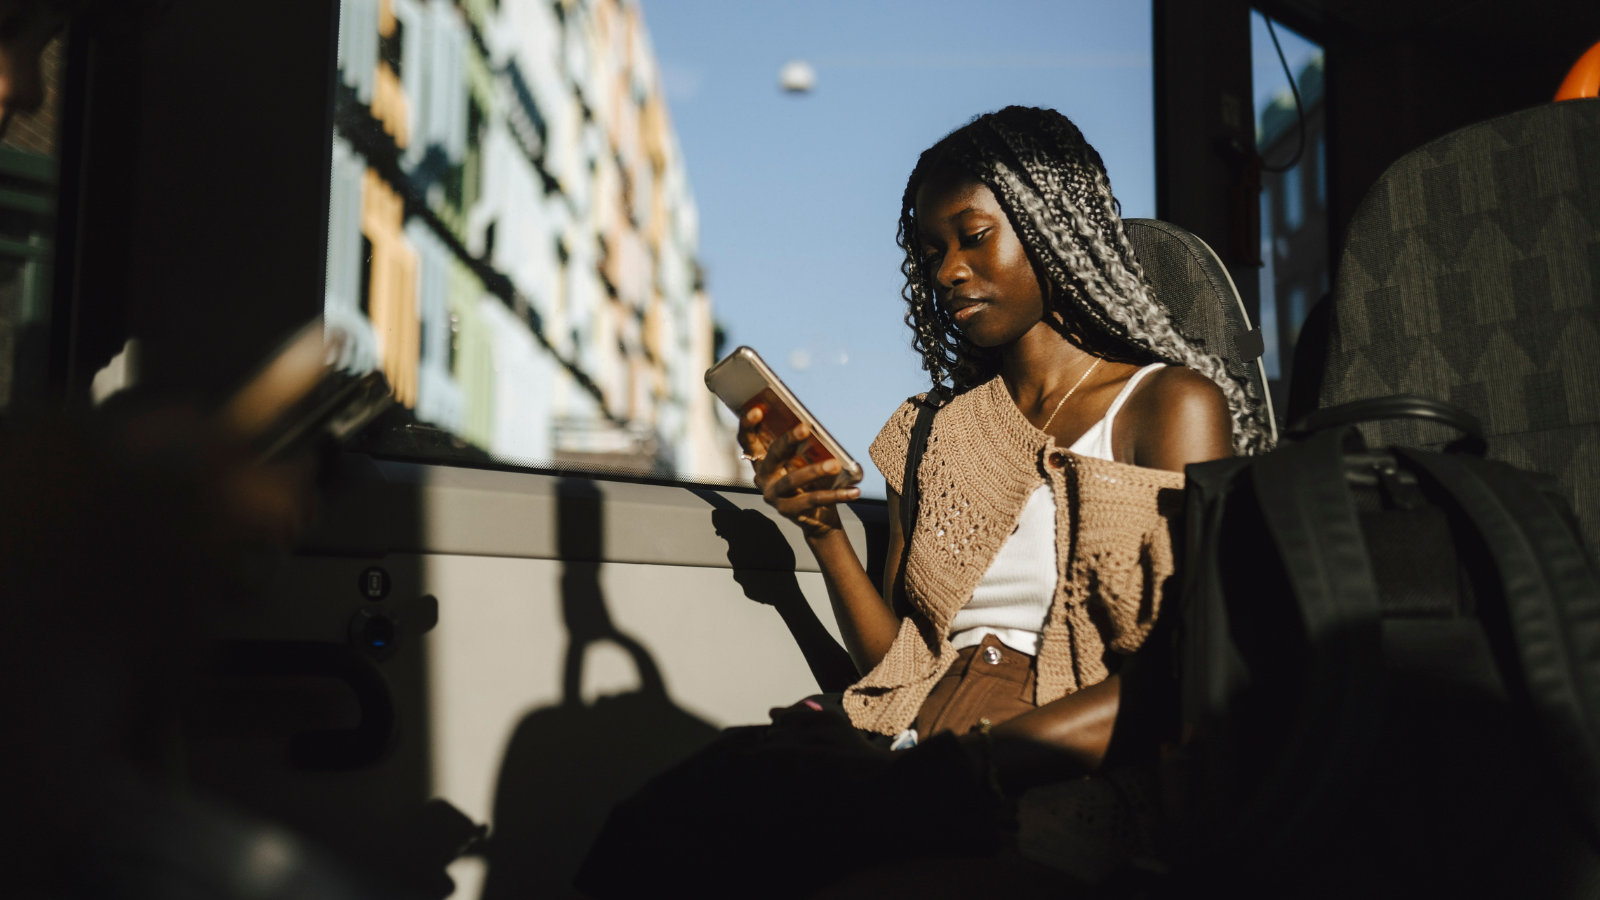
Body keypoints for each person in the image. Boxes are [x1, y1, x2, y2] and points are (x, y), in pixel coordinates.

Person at [574, 106, 1271, 898]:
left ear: (1053, 230)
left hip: (1062, 764)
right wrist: (822, 530)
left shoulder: (1167, 405)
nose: (947, 272)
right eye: (931, 252)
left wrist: (961, 767)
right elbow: (898, 665)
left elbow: (1185, 675)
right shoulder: (931, 431)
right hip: (915, 732)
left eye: (973, 237)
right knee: (666, 816)